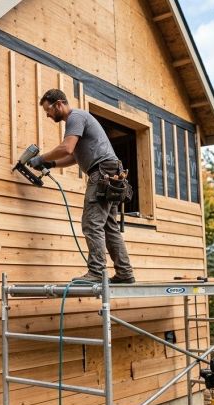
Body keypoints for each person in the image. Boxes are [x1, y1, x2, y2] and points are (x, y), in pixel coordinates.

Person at [28, 88, 135, 284]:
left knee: (91, 223)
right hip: (110, 172)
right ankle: (125, 273)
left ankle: (96, 272)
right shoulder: (78, 120)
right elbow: (73, 156)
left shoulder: (74, 117)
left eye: (48, 110)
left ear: (59, 103)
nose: (48, 115)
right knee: (110, 227)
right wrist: (51, 164)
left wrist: (40, 158)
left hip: (102, 172)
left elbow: (66, 147)